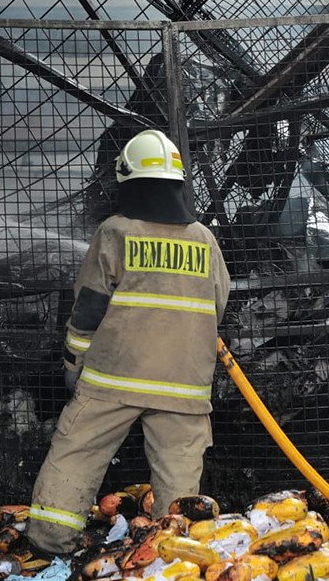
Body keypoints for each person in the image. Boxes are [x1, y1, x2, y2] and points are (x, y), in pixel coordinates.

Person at [27, 130, 230, 555]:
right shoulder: (204, 241)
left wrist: (72, 363)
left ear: (129, 182)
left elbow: (88, 307)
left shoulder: (115, 233)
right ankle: (171, 554)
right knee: (179, 480)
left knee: (77, 451)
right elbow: (218, 304)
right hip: (183, 386)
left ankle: (50, 542)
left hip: (113, 378)